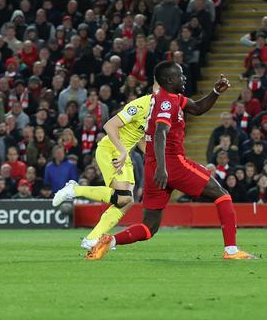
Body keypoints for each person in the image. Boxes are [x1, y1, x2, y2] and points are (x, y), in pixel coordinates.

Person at [85, 61, 255, 260]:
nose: (184, 78)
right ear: (168, 80)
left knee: (149, 227)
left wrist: (215, 92)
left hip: (154, 164)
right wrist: (163, 169)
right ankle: (231, 251)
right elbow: (160, 133)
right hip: (171, 163)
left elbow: (198, 108)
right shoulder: (167, 102)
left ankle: (109, 241)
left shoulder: (167, 98)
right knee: (222, 195)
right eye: (180, 75)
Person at [52, 83, 157, 250]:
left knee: (127, 201)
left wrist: (154, 157)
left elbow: (140, 138)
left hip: (123, 153)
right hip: (111, 149)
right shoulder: (140, 105)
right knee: (123, 197)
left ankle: (92, 239)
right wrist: (123, 151)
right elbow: (109, 125)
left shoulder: (155, 113)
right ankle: (75, 190)